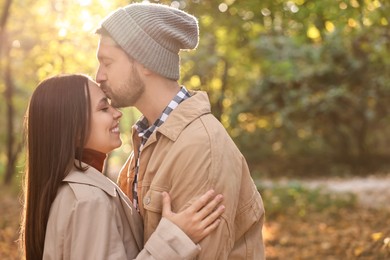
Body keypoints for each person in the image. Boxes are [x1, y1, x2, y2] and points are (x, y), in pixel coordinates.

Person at [95, 3, 265, 259]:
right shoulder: (145, 141)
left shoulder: (200, 147)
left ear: (145, 61)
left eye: (107, 62)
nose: (99, 76)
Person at [20, 74, 225, 260]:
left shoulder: (75, 191)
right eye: (103, 108)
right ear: (74, 129)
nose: (117, 113)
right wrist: (175, 239)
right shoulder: (88, 200)